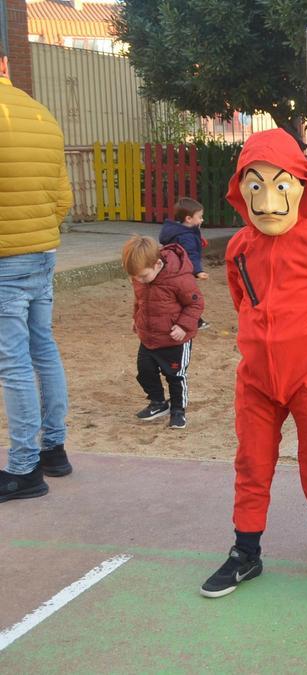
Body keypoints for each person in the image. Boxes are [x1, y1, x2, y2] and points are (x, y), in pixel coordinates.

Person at [200, 128, 307, 604]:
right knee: (252, 463)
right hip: (256, 379)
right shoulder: (239, 248)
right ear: (241, 188)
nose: (269, 201)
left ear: (298, 185)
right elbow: (242, 301)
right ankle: (245, 550)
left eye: (279, 185)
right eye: (255, 186)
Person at [0, 43, 74, 503]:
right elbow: (62, 195)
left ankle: (24, 467)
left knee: (13, 360)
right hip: (41, 250)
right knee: (42, 349)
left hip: (7, 256)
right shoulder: (39, 112)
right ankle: (54, 449)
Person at [123, 236, 204, 430]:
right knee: (145, 372)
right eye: (135, 277)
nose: (139, 280)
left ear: (158, 264)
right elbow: (140, 301)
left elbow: (195, 303)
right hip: (148, 337)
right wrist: (136, 318)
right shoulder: (140, 278)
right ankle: (158, 403)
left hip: (175, 340)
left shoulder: (178, 279)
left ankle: (178, 410)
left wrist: (183, 326)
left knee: (176, 376)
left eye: (143, 276)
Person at [159, 198, 211, 330]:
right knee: (188, 297)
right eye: (199, 217)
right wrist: (198, 271)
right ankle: (195, 321)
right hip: (182, 271)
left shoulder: (177, 231)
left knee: (177, 295)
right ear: (188, 219)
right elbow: (191, 254)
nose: (202, 220)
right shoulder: (186, 236)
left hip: (171, 269)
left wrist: (199, 240)